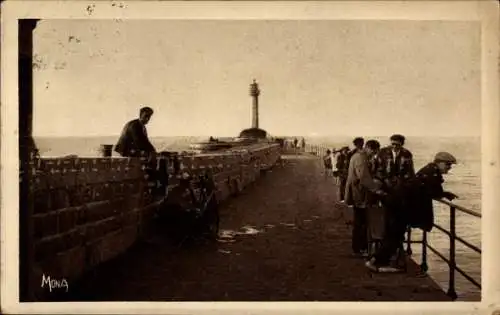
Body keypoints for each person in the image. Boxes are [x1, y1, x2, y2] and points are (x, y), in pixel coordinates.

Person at [365, 151, 459, 273]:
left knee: (394, 235)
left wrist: (443, 193)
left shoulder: (429, 170)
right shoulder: (432, 173)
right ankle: (375, 262)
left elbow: (430, 189)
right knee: (394, 235)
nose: (449, 168)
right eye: (447, 165)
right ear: (439, 163)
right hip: (400, 207)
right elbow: (434, 191)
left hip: (398, 204)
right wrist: (445, 194)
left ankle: (377, 261)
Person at [344, 141, 384, 257]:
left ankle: (360, 248)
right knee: (361, 222)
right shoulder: (361, 158)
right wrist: (377, 189)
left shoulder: (358, 156)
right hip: (359, 195)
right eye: (374, 151)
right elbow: (364, 178)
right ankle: (359, 249)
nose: (374, 154)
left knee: (360, 222)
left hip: (359, 193)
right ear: (368, 148)